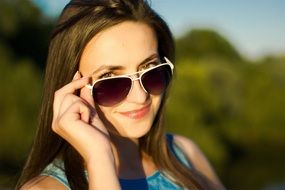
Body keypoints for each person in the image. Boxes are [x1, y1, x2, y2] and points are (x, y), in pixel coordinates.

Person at [17, 0, 225, 189]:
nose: (140, 97)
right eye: (110, 80)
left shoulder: (184, 154)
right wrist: (99, 158)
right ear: (71, 87)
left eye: (150, 70)